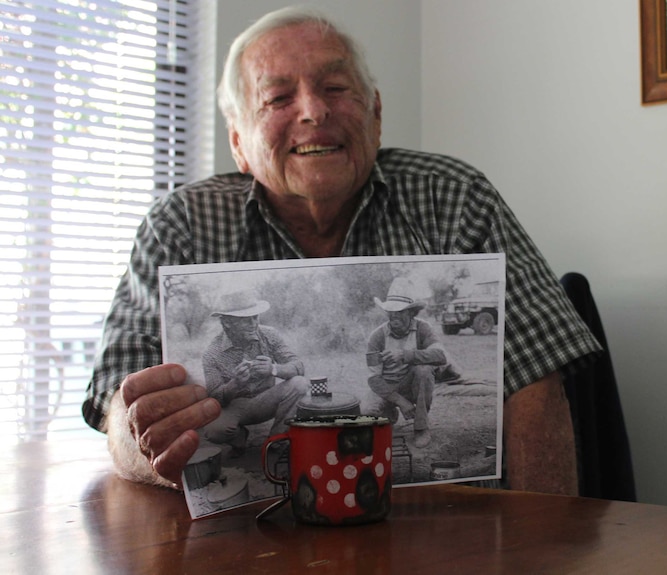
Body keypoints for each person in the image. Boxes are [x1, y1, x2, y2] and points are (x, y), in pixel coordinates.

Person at [82, 6, 601, 494]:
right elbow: (117, 403)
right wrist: (145, 436)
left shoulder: (455, 197)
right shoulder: (182, 226)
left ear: (375, 115)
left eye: (335, 87)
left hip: (446, 538)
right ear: (238, 140)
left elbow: (535, 380)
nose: (314, 110)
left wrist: (542, 546)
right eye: (278, 98)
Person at [200, 291, 309, 456]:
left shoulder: (269, 334)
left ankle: (277, 441)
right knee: (214, 431)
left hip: (267, 399)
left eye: (255, 317)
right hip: (235, 405)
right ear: (228, 323)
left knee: (300, 383)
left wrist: (274, 369)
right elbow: (214, 398)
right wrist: (234, 384)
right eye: (245, 320)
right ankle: (239, 438)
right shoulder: (212, 353)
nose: (253, 324)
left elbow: (298, 365)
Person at [364, 278, 448, 448]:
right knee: (366, 414)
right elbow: (373, 379)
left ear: (411, 312)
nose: (394, 316)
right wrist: (400, 401)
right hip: (386, 387)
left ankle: (421, 427)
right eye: (391, 312)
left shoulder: (423, 328)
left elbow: (440, 355)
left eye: (400, 312)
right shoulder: (377, 336)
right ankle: (389, 411)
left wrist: (405, 355)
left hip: (411, 384)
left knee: (424, 370)